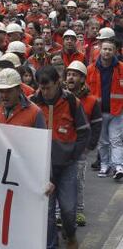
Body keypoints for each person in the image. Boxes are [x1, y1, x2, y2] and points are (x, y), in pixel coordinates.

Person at [30, 66, 90, 249]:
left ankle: (70, 234)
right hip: (42, 169)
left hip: (66, 167)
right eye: (42, 88)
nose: (45, 92)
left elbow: (84, 133)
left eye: (48, 87)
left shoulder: (72, 102)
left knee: (68, 209)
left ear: (58, 82)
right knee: (47, 213)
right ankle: (52, 245)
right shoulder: (31, 103)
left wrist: (72, 155)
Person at [65, 60, 102, 226]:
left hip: (80, 149)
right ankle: (60, 213)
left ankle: (79, 211)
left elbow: (96, 125)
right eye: (69, 74)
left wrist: (89, 147)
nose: (71, 77)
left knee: (78, 181)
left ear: (82, 78)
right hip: (62, 148)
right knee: (60, 181)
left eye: (75, 75)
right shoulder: (61, 97)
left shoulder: (92, 101)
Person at [87, 39, 123, 180]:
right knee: (103, 141)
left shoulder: (121, 68)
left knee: (116, 140)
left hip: (118, 111)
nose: (107, 51)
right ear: (100, 50)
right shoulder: (91, 69)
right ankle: (104, 165)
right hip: (99, 112)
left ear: (115, 51)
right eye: (105, 49)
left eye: (110, 49)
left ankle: (118, 166)